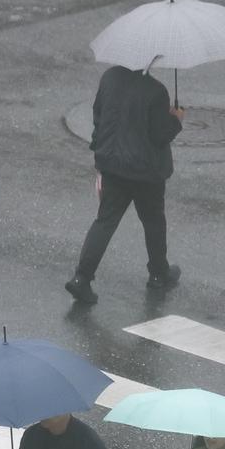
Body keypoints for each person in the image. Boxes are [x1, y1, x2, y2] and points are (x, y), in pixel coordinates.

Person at [64, 64, 186, 305]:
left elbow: (98, 116)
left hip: (112, 165)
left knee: (105, 221)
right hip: (145, 171)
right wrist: (176, 119)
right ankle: (158, 273)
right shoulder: (156, 91)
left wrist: (100, 153)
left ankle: (81, 278)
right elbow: (160, 134)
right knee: (153, 221)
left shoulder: (109, 78)